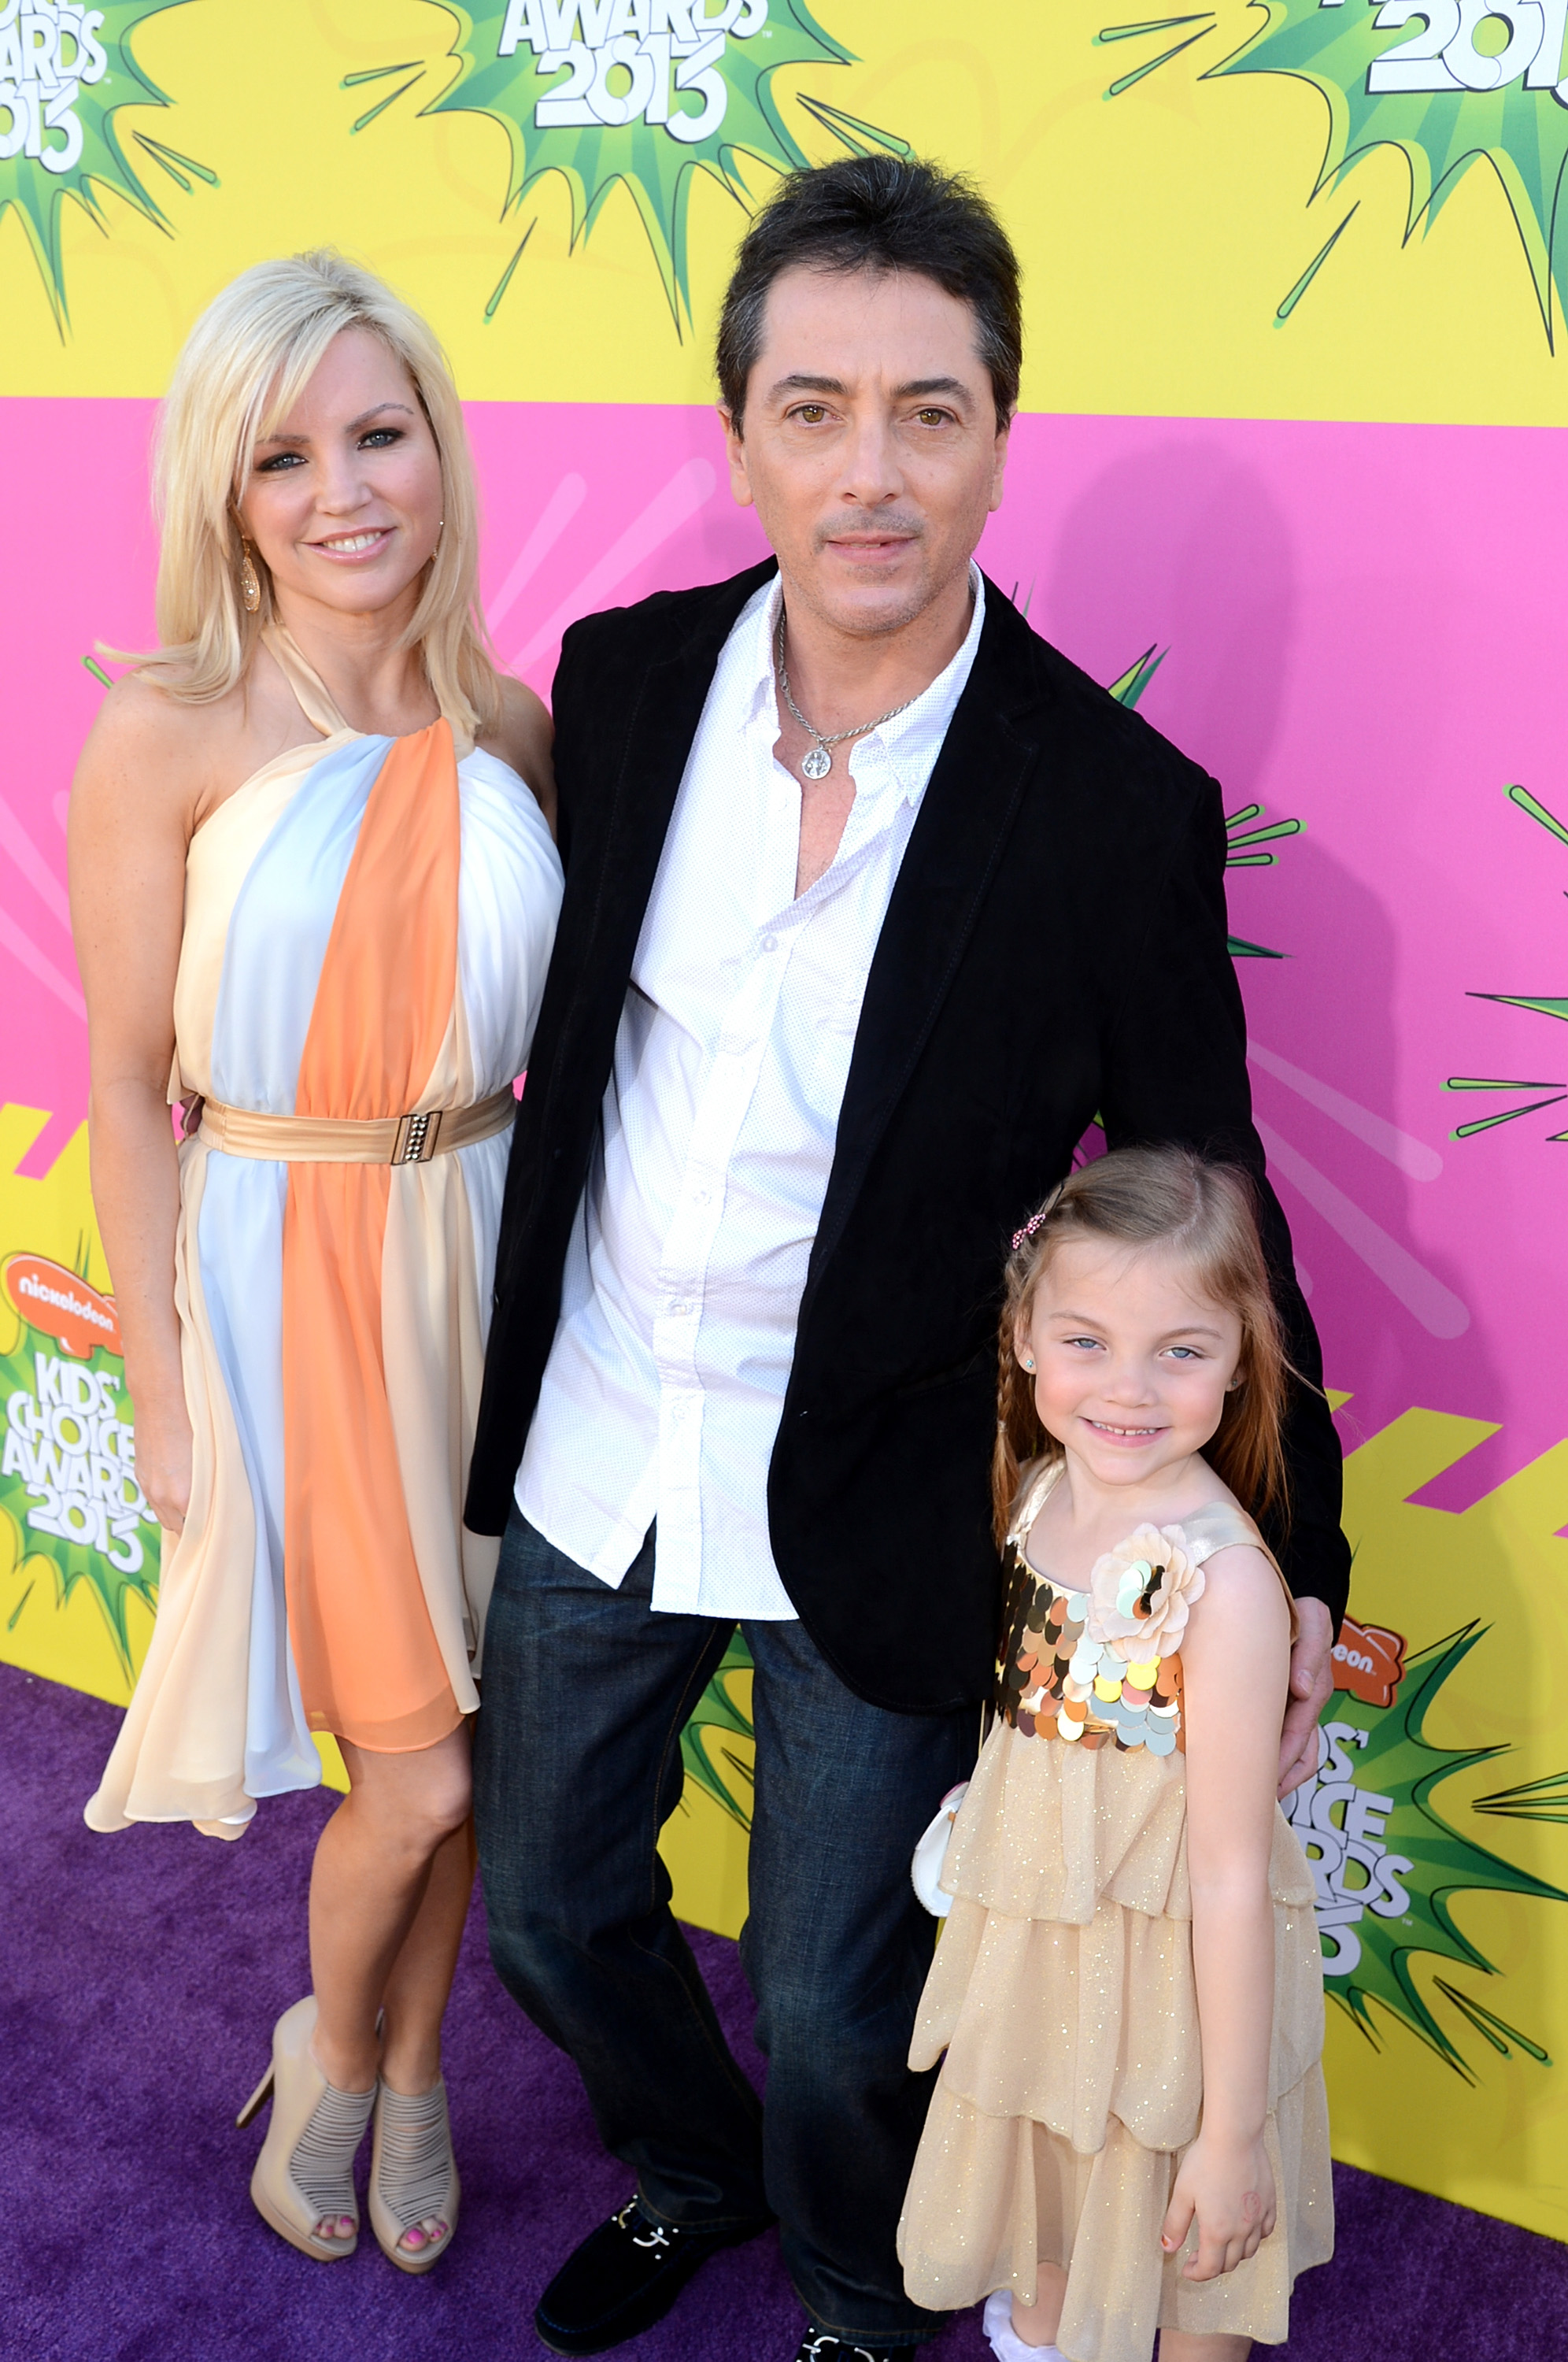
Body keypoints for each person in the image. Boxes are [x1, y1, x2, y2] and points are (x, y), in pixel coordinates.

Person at [464, 156, 1348, 2361]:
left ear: (997, 432)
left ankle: (861, 2292)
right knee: (555, 1909)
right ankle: (692, 2169)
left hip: (876, 1478)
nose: (872, 473)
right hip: (596, 1432)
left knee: (848, 2000)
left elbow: (1206, 1178)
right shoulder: (631, 680)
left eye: (929, 411)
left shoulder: (1107, 804)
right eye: (817, 407)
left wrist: (1300, 1545)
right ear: (744, 428)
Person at [70, 251, 562, 2271]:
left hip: (494, 1257)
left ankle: (416, 2067)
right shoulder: (168, 731)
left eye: (382, 432)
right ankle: (337, 2052)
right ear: (226, 491)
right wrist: (163, 1392)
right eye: (287, 454)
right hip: (294, 1285)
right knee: (424, 1778)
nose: (346, 488)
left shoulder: (516, 722)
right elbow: (118, 1091)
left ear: (441, 448)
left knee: (469, 1745)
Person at [897, 1146, 1333, 2362]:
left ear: (1243, 1357)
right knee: (1053, 2214)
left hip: (1183, 1987)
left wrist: (1234, 2132)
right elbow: (1026, 1712)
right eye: (1087, 1341)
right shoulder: (1041, 1495)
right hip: (1046, 1940)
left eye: (1181, 1352)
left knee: (1193, 2261)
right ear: (1026, 1332)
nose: (1128, 1391)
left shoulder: (1227, 1586)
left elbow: (1231, 1877)